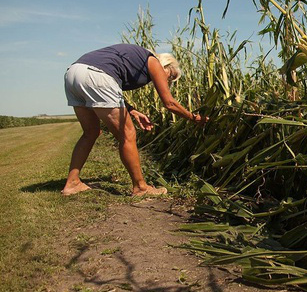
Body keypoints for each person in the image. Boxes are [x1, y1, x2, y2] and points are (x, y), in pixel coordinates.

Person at [62, 43, 206, 196]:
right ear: (165, 65)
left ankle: (72, 184)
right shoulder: (153, 61)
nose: (169, 81)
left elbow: (112, 87)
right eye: (170, 76)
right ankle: (141, 187)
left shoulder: (137, 61)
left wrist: (132, 110)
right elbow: (169, 103)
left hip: (73, 74)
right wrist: (194, 118)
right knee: (128, 135)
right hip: (96, 75)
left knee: (91, 132)